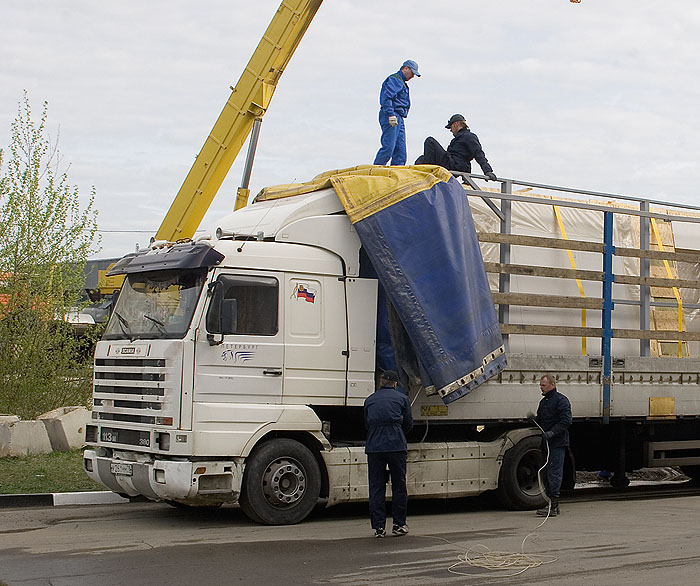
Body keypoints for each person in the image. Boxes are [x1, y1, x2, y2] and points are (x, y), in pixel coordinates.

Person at [364, 369, 413, 537]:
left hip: (375, 447)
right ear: (395, 384)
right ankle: (399, 524)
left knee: (376, 487)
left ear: (381, 383)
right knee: (399, 486)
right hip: (396, 446)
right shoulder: (402, 399)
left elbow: (367, 424)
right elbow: (408, 424)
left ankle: (379, 528)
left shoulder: (369, 400)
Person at [532, 374, 572, 517]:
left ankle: (554, 506)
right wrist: (533, 420)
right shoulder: (543, 403)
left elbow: (566, 421)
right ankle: (550, 503)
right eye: (540, 385)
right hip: (546, 444)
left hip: (557, 443)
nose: (541, 388)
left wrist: (552, 433)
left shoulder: (561, 401)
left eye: (543, 385)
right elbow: (541, 419)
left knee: (553, 473)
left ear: (552, 385)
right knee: (545, 474)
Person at [415, 113, 497, 180]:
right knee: (421, 159)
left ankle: (429, 173)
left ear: (456, 124)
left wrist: (487, 171)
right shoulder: (457, 139)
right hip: (452, 162)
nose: (450, 130)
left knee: (430, 141)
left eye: (450, 127)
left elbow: (478, 153)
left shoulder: (469, 136)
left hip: (454, 164)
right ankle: (418, 178)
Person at [373, 60, 420, 166]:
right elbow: (387, 97)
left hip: (399, 117)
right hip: (391, 114)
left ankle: (396, 175)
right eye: (412, 73)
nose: (412, 76)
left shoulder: (402, 82)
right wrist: (390, 114)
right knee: (389, 147)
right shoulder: (395, 79)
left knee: (401, 151)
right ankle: (375, 170)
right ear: (406, 68)